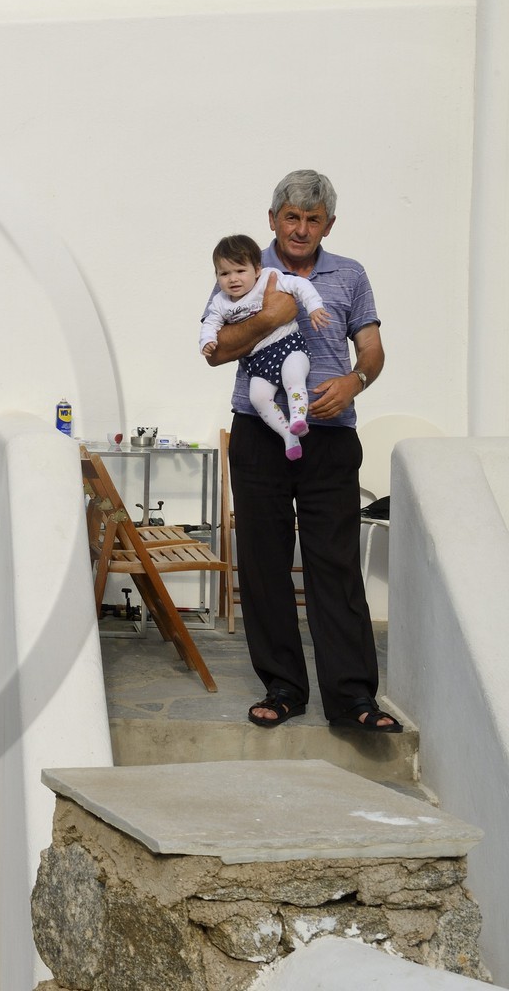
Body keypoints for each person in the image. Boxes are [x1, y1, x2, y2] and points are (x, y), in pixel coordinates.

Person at [203, 170, 398, 732]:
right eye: (292, 217)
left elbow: (372, 347)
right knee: (264, 563)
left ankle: (353, 699)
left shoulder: (350, 275)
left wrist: (356, 381)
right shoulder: (242, 270)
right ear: (273, 220)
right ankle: (284, 688)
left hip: (331, 436)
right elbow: (215, 352)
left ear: (328, 225)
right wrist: (269, 317)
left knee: (334, 566)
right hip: (260, 433)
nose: (302, 228)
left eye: (314, 220)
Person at [201, 234, 330, 460]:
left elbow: (299, 284)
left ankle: (299, 418)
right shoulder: (221, 301)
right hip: (259, 360)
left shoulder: (269, 278)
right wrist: (207, 341)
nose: (233, 279)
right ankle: (289, 435)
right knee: (258, 397)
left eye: (240, 271)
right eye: (224, 273)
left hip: (288, 346)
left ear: (257, 269)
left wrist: (314, 307)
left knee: (293, 377)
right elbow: (211, 322)